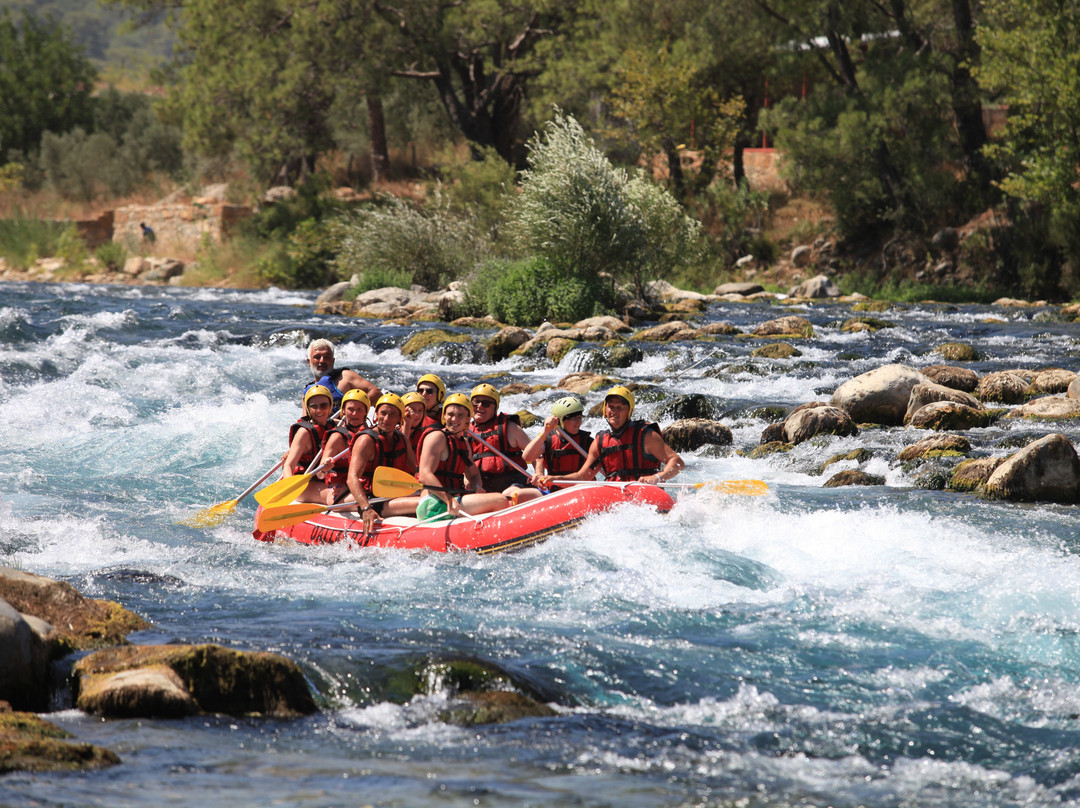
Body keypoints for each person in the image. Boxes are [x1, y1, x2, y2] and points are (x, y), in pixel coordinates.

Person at [536, 385, 684, 488]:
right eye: (611, 407)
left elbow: (677, 462)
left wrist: (658, 477)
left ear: (629, 411)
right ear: (605, 410)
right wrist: (555, 479)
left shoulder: (646, 435)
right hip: (616, 496)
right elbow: (582, 476)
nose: (614, 411)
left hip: (645, 492)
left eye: (620, 407)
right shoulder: (600, 442)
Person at [416, 393, 510, 522]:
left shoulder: (463, 443)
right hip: (432, 504)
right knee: (500, 500)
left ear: (467, 419)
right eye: (450, 414)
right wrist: (448, 499)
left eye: (460, 415)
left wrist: (477, 487)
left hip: (453, 500)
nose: (454, 419)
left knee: (501, 501)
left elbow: (473, 474)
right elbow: (425, 474)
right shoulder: (436, 437)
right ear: (444, 416)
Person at [345, 393, 418, 535]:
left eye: (393, 415)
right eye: (383, 413)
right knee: (422, 502)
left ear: (399, 419)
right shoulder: (366, 440)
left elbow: (415, 469)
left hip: (395, 493)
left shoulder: (401, 438)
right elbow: (351, 477)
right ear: (376, 414)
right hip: (372, 498)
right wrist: (366, 508)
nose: (387, 419)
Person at [468, 383, 542, 503]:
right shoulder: (466, 432)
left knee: (508, 495)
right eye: (476, 402)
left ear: (495, 407)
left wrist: (538, 474)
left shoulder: (509, 428)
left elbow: (536, 455)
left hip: (514, 483)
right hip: (484, 487)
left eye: (486, 403)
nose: (479, 406)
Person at [282, 384, 335, 503]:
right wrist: (290, 489)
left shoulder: (332, 425)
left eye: (324, 405)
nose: (319, 410)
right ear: (308, 409)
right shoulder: (304, 433)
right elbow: (288, 466)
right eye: (314, 406)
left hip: (321, 477)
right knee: (335, 496)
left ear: (331, 406)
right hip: (303, 483)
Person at [523, 396, 596, 478]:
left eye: (579, 418)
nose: (578, 422)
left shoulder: (587, 441)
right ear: (560, 421)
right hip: (555, 487)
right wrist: (545, 431)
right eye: (574, 418)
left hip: (580, 487)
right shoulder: (548, 440)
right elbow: (527, 457)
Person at [320, 389, 370, 505]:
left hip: (362, 483)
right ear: (343, 411)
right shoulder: (337, 437)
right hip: (339, 489)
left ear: (365, 412)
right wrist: (325, 466)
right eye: (350, 409)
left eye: (359, 410)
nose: (354, 414)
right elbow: (320, 474)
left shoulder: (370, 435)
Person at [304, 339, 380, 411]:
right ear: (309, 362)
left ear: (333, 361)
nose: (322, 361)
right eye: (317, 357)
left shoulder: (345, 377)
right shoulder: (307, 392)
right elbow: (304, 419)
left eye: (327, 357)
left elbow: (377, 394)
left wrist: (354, 408)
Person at [400, 391, 430, 461]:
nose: (416, 414)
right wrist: (407, 423)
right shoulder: (393, 433)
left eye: (420, 410)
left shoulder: (425, 435)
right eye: (413, 410)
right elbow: (401, 449)